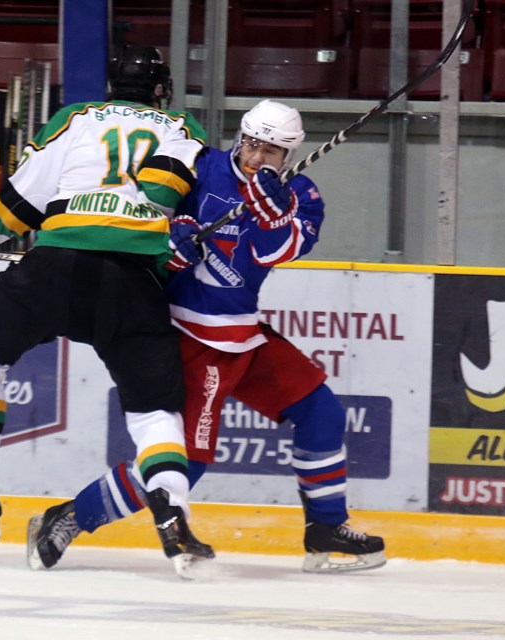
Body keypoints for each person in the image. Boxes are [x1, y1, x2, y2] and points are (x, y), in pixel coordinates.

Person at [27, 99, 387, 574]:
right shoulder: (200, 166)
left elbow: (278, 252)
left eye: (271, 151)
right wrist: (170, 244)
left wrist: (272, 217)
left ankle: (325, 529)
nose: (257, 158)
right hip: (190, 337)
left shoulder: (301, 193)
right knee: (186, 464)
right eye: (252, 144)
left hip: (244, 334)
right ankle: (69, 516)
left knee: (322, 413)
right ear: (239, 137)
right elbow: (140, 219)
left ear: (290, 153)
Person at [0, 44, 215, 575]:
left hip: (57, 268)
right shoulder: (186, 130)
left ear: (113, 87)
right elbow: (178, 202)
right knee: (155, 414)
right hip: (134, 284)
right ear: (162, 90)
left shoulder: (78, 118)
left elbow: (24, 198)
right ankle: (175, 517)